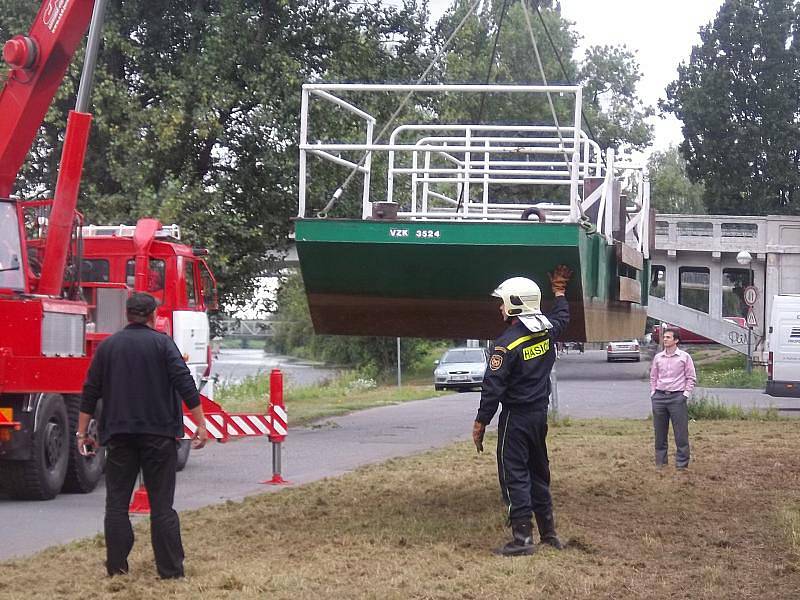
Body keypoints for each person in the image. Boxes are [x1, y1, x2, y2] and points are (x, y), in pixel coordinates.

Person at [77, 292, 208, 578]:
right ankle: (170, 571)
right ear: (153, 316)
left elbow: (90, 391)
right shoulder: (163, 345)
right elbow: (185, 383)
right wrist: (200, 423)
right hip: (159, 436)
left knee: (116, 505)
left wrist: (81, 431)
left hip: (119, 436)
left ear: (127, 315)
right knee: (162, 506)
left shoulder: (108, 347)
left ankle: (117, 569)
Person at [472, 265, 572, 556]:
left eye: (502, 301)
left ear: (515, 303)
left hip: (515, 419)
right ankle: (549, 533)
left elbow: (492, 389)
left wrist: (480, 423)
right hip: (539, 416)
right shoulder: (547, 333)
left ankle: (522, 539)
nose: (499, 308)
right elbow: (562, 318)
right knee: (539, 473)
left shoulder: (505, 345)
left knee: (514, 475)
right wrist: (560, 293)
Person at [649, 327, 696, 470]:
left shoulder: (684, 357)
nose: (665, 340)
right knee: (660, 432)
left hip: (677, 397)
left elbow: (691, 377)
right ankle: (661, 463)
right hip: (659, 397)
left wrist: (685, 395)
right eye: (664, 337)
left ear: (676, 340)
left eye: (668, 337)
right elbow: (653, 377)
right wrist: (653, 393)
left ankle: (681, 464)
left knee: (681, 432)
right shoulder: (658, 357)